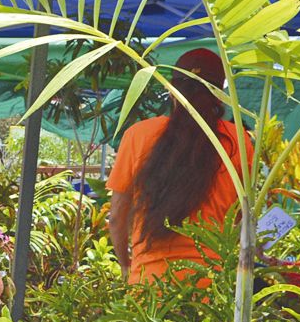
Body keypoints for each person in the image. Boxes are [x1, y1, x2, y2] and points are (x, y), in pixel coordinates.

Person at [106, 48, 249, 285]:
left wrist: (125, 264)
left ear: (171, 90)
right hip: (209, 286)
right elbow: (240, 218)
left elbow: (117, 217)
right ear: (220, 93)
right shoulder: (239, 141)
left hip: (149, 285)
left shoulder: (138, 135)